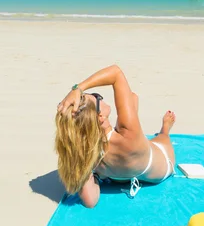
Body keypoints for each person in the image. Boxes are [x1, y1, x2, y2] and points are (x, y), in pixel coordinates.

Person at [56, 64, 176, 208]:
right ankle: (165, 129)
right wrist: (78, 88)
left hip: (117, 175)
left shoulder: (85, 151)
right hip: (159, 166)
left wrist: (89, 174)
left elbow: (90, 201)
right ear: (100, 116)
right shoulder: (128, 133)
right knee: (160, 136)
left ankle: (109, 169)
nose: (99, 96)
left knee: (132, 103)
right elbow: (116, 73)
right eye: (96, 97)